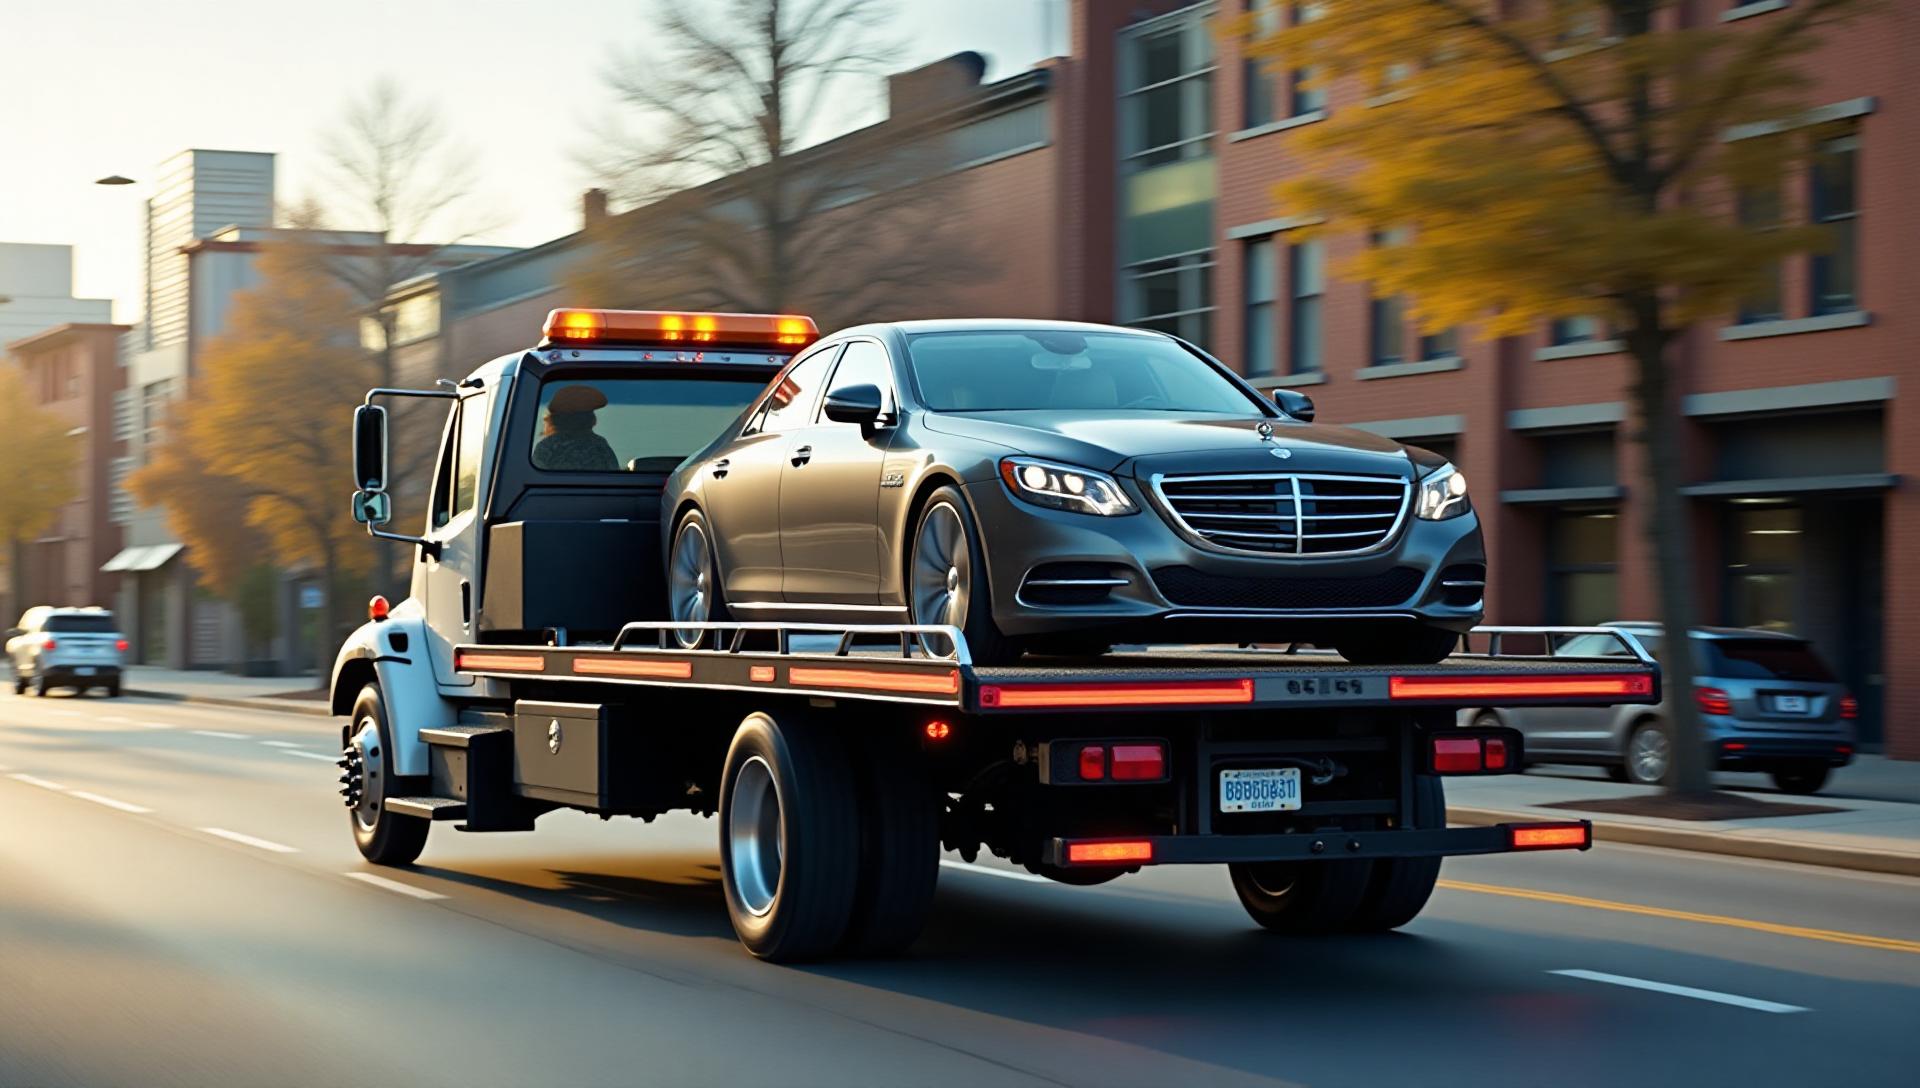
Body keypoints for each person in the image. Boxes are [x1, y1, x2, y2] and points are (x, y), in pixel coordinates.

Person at [532, 384, 620, 471]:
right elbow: (614, 477)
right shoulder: (600, 445)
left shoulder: (547, 447)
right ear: (590, 419)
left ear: (555, 419)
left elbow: (534, 477)